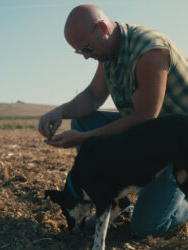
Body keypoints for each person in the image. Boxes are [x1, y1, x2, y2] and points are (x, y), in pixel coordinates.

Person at [38, 4, 188, 238]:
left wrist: (87, 138)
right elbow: (93, 96)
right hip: (149, 135)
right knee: (82, 121)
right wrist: (60, 111)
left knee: (145, 228)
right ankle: (119, 201)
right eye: (80, 52)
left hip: (177, 145)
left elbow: (145, 118)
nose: (86, 56)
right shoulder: (108, 52)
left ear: (102, 28)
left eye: (87, 48)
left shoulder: (149, 51)